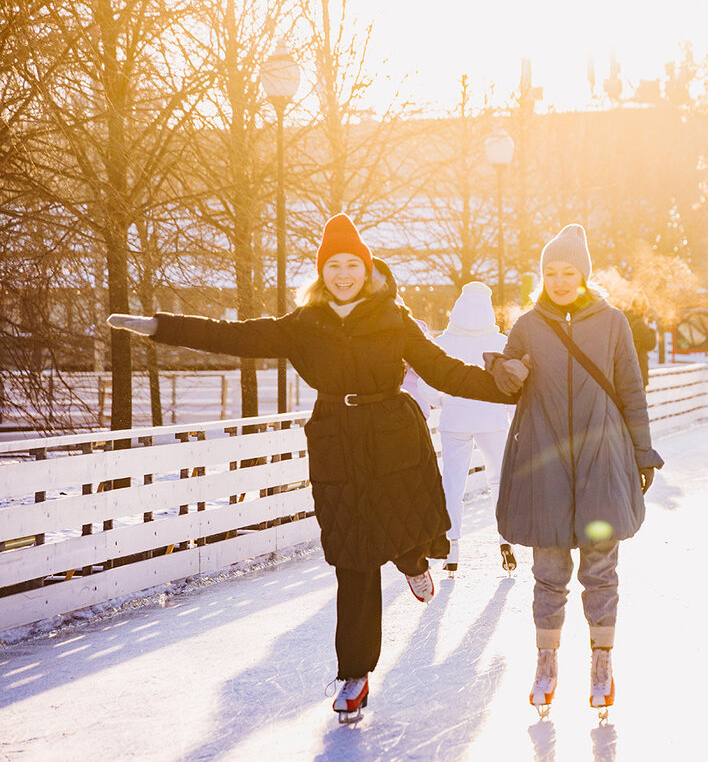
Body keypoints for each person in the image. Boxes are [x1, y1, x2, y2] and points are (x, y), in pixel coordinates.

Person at [106, 213, 528, 723]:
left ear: (366, 269)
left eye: (353, 264)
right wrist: (159, 325)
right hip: (336, 441)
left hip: (393, 437)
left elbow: (445, 371)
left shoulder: (394, 319)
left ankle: (414, 562)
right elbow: (235, 337)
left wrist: (507, 386)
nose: (344, 274)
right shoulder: (303, 325)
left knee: (403, 534)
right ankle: (355, 674)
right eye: (334, 266)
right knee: (353, 556)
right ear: (322, 272)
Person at [486, 223, 663, 718]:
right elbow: (506, 383)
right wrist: (504, 372)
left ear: (583, 274)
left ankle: (602, 662)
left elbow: (631, 390)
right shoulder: (528, 323)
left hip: (602, 456)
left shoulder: (613, 323)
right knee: (548, 570)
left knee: (601, 567)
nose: (559, 281)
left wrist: (643, 452)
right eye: (549, 272)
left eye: (568, 272)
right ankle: (546, 661)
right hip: (544, 461)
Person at [420, 281, 513, 576]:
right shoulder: (501, 342)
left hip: (455, 421)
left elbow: (428, 386)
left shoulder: (444, 342)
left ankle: (452, 546)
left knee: (453, 483)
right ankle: (505, 540)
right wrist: (510, 413)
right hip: (493, 420)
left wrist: (441, 402)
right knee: (499, 480)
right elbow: (512, 385)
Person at [623, 293, 657, 390]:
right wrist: (652, 329)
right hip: (638, 372)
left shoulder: (624, 318)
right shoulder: (640, 324)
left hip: (625, 372)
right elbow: (651, 344)